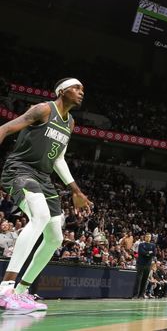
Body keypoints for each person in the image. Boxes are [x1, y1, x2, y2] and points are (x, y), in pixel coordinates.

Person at [0, 78, 93, 313]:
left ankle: (21, 292)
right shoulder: (43, 109)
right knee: (39, 217)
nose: (81, 92)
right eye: (76, 88)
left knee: (54, 238)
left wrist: (76, 190)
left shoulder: (70, 123)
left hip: (43, 177)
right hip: (19, 170)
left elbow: (59, 159)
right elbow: (5, 128)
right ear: (62, 91)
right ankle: (5, 289)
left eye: (82, 89)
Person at [134, 233, 156, 299]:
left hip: (148, 265)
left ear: (150, 238)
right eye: (147, 237)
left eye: (149, 237)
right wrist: (149, 252)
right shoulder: (141, 244)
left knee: (145, 280)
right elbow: (141, 252)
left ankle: (141, 295)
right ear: (145, 237)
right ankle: (136, 295)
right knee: (138, 280)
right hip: (140, 264)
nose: (148, 238)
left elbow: (154, 253)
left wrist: (146, 253)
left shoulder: (153, 245)